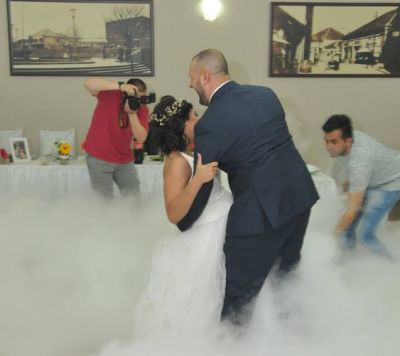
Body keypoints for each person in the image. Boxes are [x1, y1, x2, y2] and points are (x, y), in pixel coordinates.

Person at [178, 49, 319, 324]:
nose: (189, 83)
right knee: (286, 281)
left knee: (237, 297)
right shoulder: (265, 95)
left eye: (191, 77)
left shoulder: (209, 124)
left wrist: (185, 223)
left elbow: (204, 184)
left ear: (204, 76)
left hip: (260, 213)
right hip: (299, 197)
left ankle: (232, 348)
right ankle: (293, 335)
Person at [133, 95, 233, 335]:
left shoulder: (192, 150)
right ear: (181, 126)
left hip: (220, 221)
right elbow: (173, 212)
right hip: (207, 233)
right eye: (192, 117)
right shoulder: (177, 161)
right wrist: (198, 179)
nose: (198, 119)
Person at [323, 114, 400, 257]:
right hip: (379, 172)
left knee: (364, 235)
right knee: (347, 227)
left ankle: (388, 264)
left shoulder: (360, 164)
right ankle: (348, 259)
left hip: (391, 182)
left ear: (348, 141)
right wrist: (353, 182)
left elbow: (352, 211)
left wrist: (332, 236)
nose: (328, 147)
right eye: (326, 141)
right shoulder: (350, 137)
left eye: (333, 142)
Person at [82, 77, 149, 198]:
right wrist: (119, 86)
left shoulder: (142, 108)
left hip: (125, 160)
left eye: (141, 98)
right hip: (99, 156)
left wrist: (132, 114)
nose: (138, 101)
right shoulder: (111, 94)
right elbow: (88, 83)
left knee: (134, 199)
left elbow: (141, 137)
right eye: (135, 97)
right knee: (103, 202)